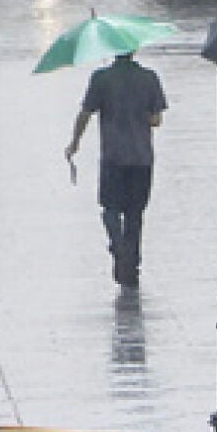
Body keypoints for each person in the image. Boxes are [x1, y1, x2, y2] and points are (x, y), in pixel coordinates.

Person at [65, 51, 167, 289]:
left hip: (113, 156)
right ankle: (131, 262)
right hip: (142, 157)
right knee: (135, 213)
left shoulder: (101, 78)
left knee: (110, 208)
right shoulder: (149, 78)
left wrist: (75, 142)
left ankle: (117, 244)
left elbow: (85, 113)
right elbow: (156, 120)